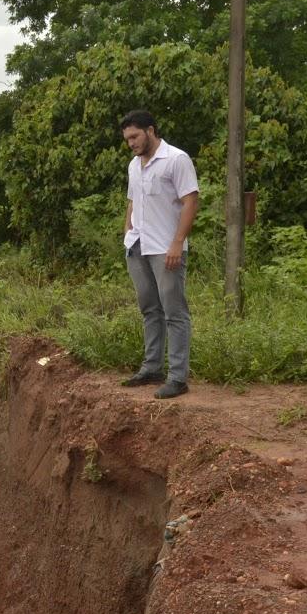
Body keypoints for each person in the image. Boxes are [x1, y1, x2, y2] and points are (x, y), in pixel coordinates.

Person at [119, 110, 199, 399]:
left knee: (174, 311)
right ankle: (152, 367)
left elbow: (191, 200)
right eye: (127, 139)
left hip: (166, 248)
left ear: (150, 130)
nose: (131, 143)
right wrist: (127, 228)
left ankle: (178, 378)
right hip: (137, 245)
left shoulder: (176, 159)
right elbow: (132, 199)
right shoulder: (133, 165)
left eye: (135, 136)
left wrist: (178, 242)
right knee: (149, 309)